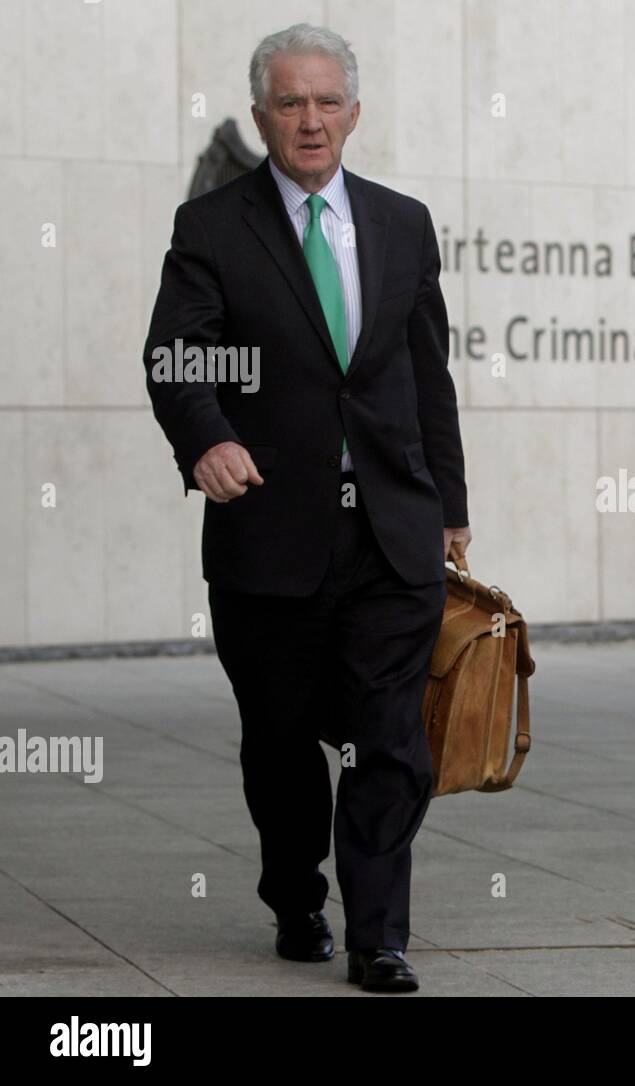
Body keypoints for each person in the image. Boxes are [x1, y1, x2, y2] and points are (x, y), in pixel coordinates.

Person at [142, 23, 470, 993]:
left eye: (327, 102)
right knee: (281, 743)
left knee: (392, 739)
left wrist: (449, 502)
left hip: (390, 528)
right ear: (261, 117)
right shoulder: (211, 228)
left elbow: (426, 375)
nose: (310, 120)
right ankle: (295, 891)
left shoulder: (403, 224)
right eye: (290, 103)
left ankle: (379, 934)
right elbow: (178, 356)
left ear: (355, 115)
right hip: (270, 532)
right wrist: (207, 438)